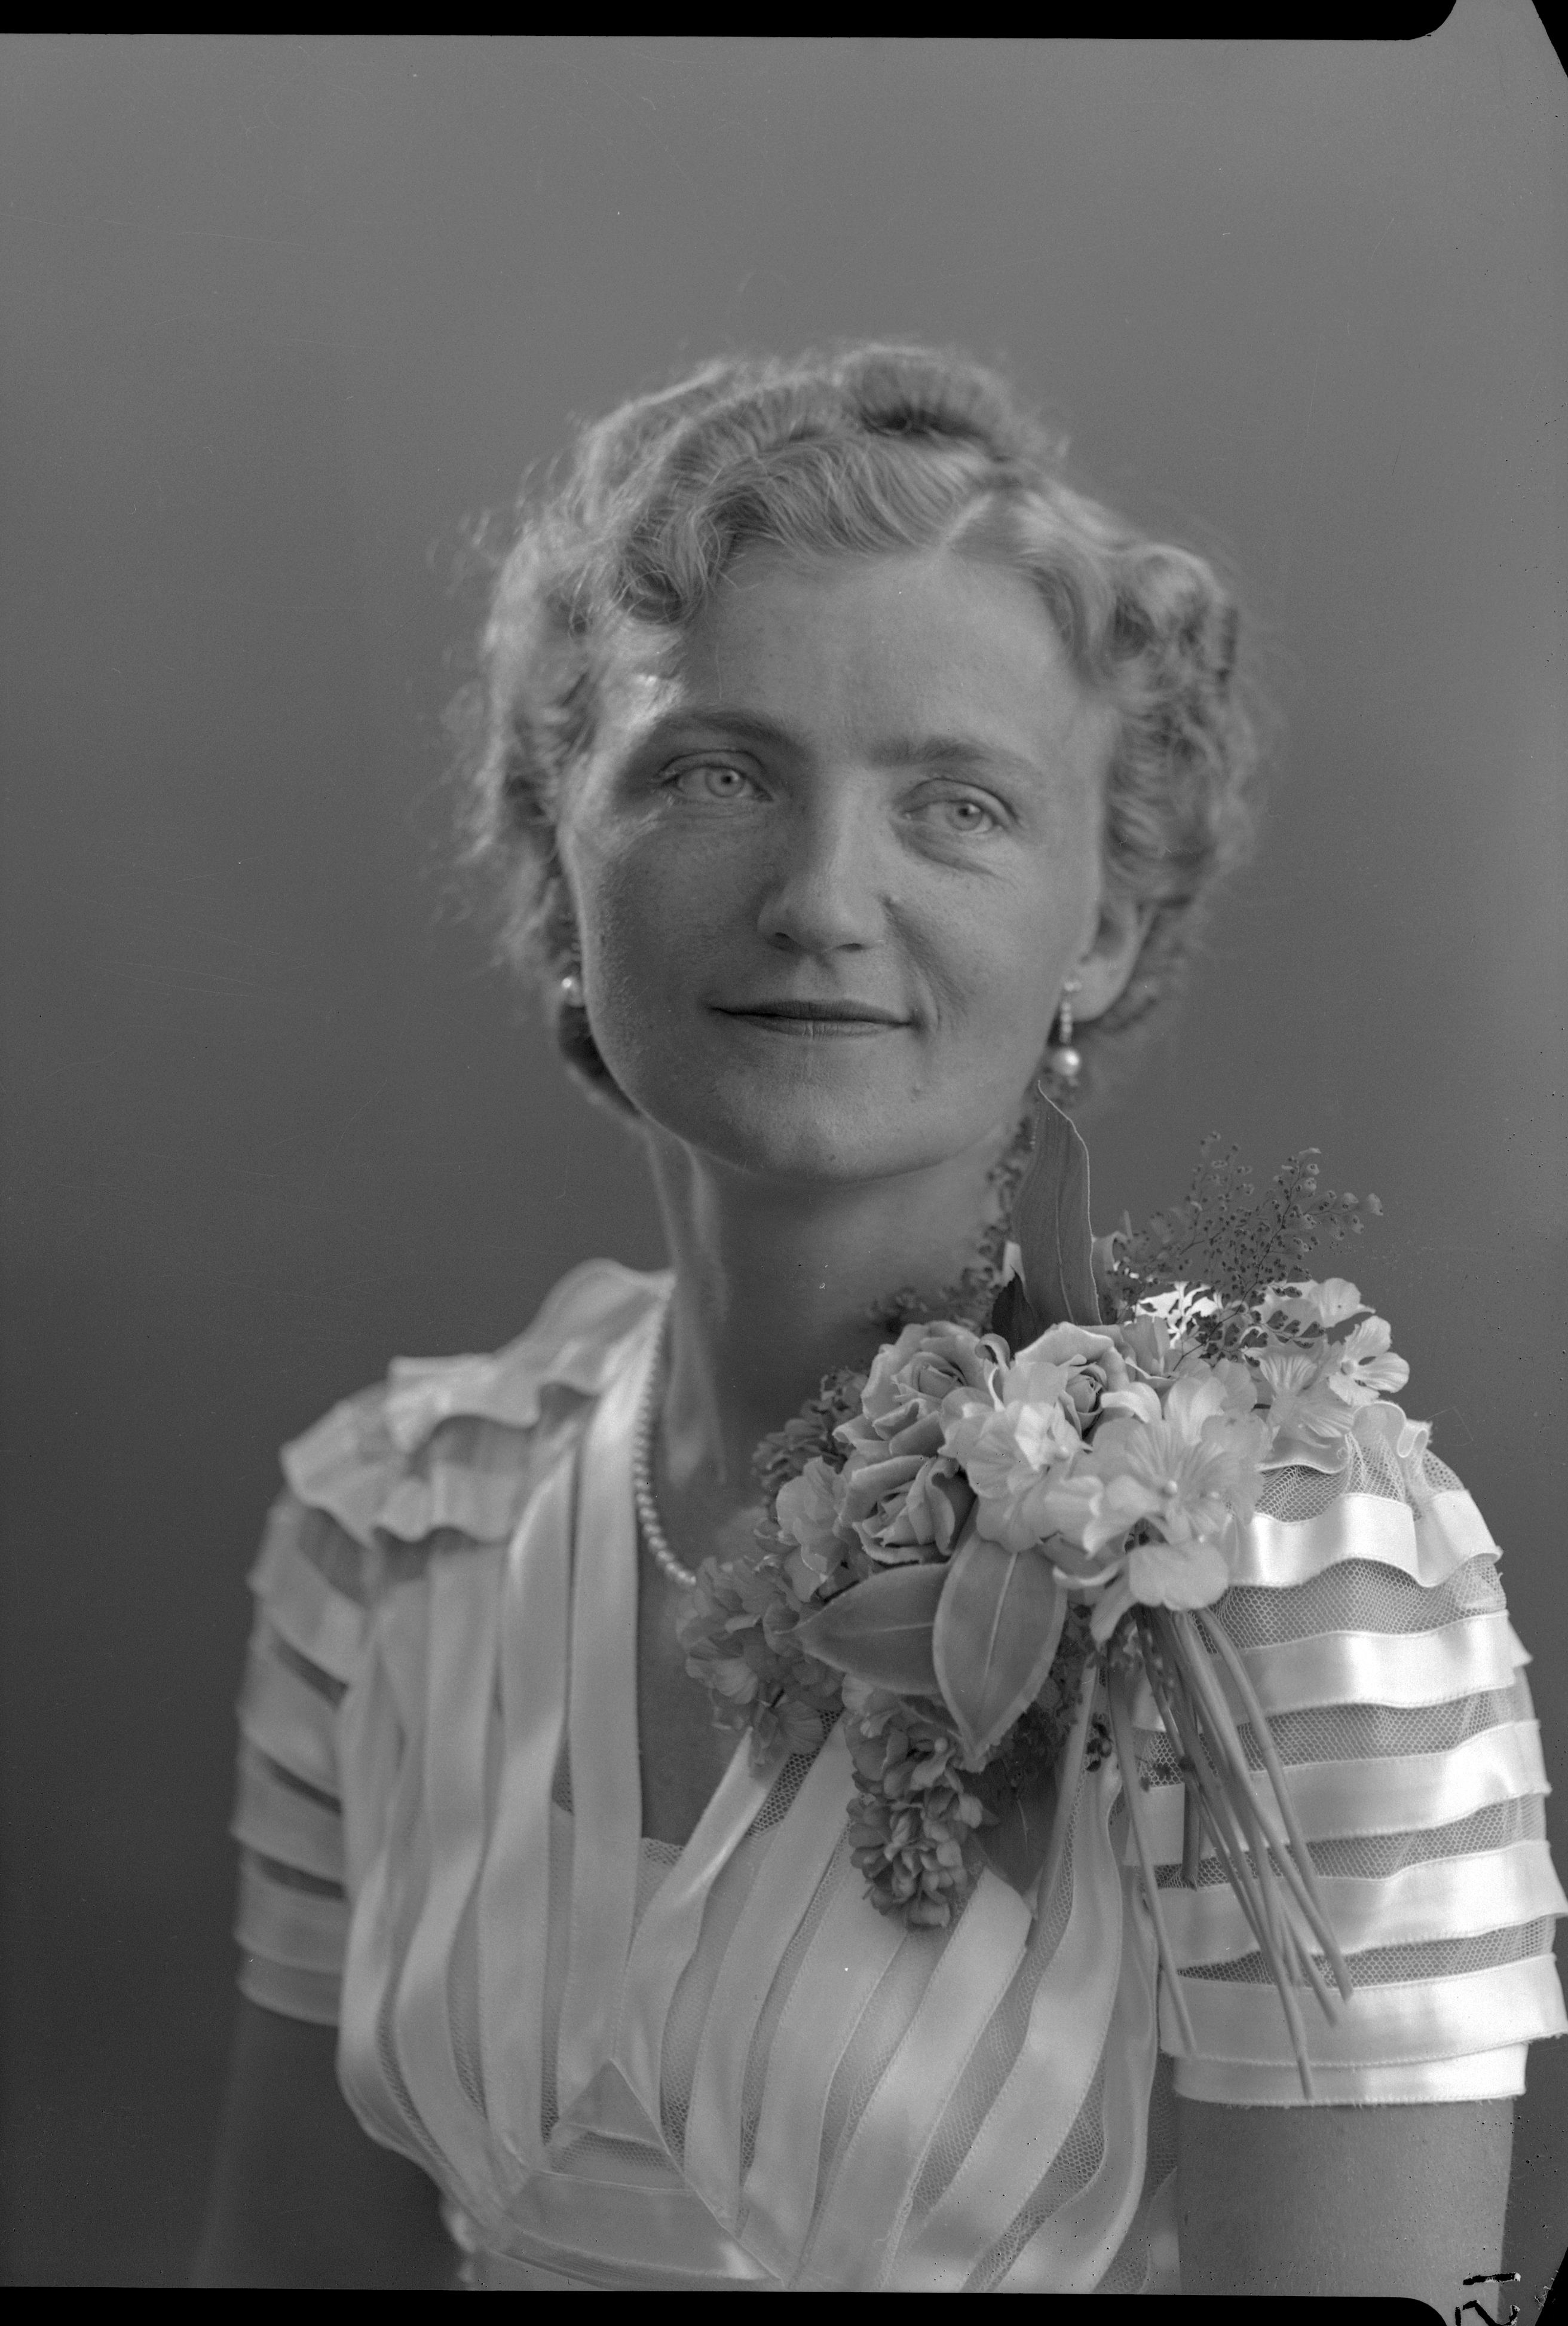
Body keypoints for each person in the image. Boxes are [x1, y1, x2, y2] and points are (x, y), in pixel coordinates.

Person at [193, 345, 1564, 2296]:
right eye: (717, 773)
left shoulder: (1285, 1554)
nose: (823, 898)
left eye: (959, 805)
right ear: (560, 844)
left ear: (1100, 925)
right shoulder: (389, 1526)